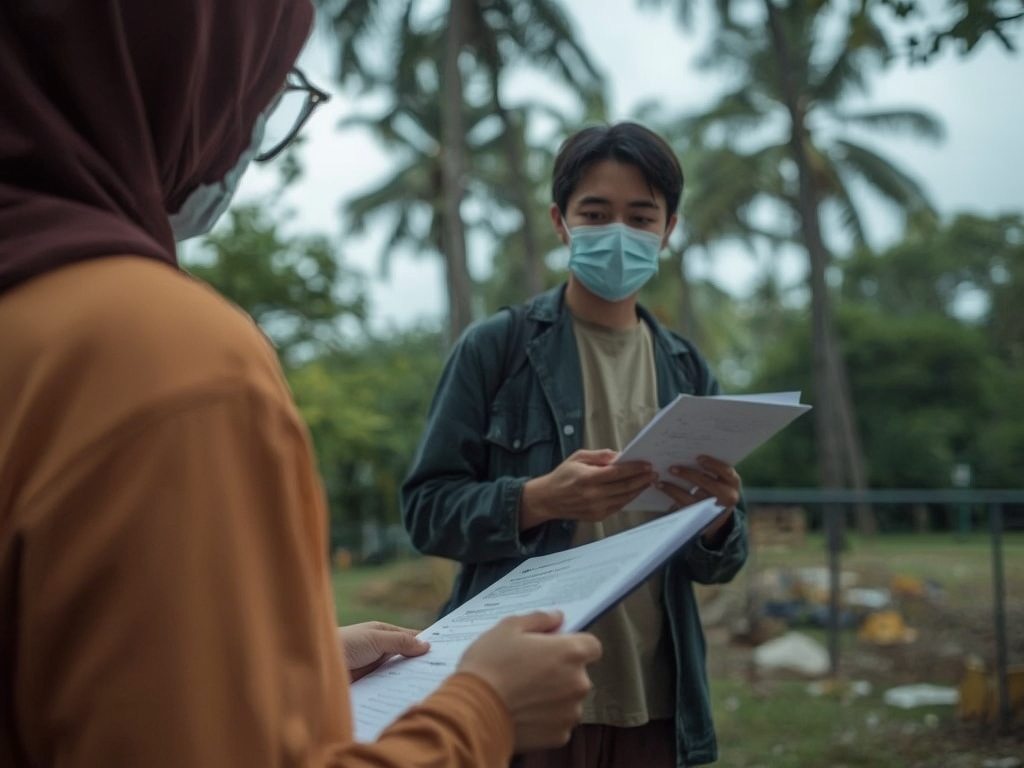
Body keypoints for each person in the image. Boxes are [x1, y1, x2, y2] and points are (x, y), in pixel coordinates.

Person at [0, 2, 602, 766]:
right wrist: (482, 710)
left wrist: (296, 667)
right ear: (175, 73)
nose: (247, 136)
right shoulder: (159, 359)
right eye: (258, 90)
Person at [402, 122, 749, 768]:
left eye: (640, 217)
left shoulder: (687, 368)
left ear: (668, 230)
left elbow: (719, 564)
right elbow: (426, 511)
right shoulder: (496, 349)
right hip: (526, 697)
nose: (618, 232)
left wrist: (718, 520)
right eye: (595, 213)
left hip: (656, 699)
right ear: (561, 223)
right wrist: (537, 499)